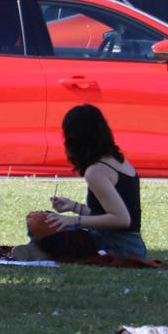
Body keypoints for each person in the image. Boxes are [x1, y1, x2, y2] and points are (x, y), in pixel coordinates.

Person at [12, 104, 147, 261]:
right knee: (49, 219)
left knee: (37, 220)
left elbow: (122, 220)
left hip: (116, 247)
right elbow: (107, 216)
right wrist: (72, 206)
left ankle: (39, 251)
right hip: (131, 246)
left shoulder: (95, 171)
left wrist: (73, 220)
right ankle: (40, 251)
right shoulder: (120, 162)